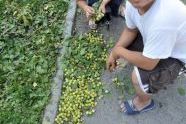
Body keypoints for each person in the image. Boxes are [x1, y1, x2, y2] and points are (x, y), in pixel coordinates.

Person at [107, 0, 186, 115]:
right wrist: (115, 51)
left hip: (177, 56)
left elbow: (149, 63)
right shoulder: (132, 4)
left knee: (138, 78)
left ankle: (144, 102)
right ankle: (144, 52)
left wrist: (119, 51)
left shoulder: (165, 17)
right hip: (162, 41)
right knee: (125, 47)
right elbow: (130, 30)